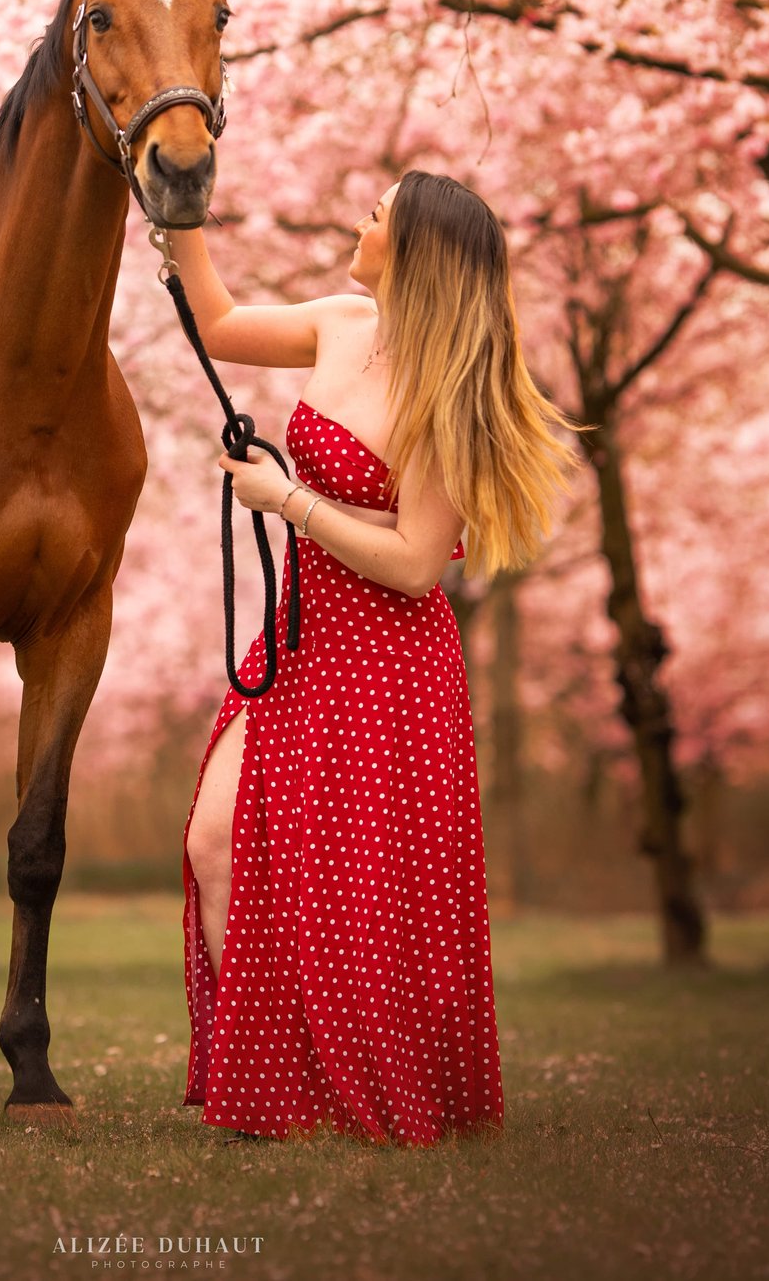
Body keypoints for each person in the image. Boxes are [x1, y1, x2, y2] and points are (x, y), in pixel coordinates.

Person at [175, 168, 579, 1146]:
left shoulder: (446, 397)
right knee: (214, 841)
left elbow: (411, 565)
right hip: (301, 633)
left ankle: (312, 1094)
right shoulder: (338, 322)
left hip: (387, 660)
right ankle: (273, 1079)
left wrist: (290, 502)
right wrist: (178, 216)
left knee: (357, 894)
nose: (358, 221)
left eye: (377, 216)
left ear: (415, 252)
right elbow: (220, 322)